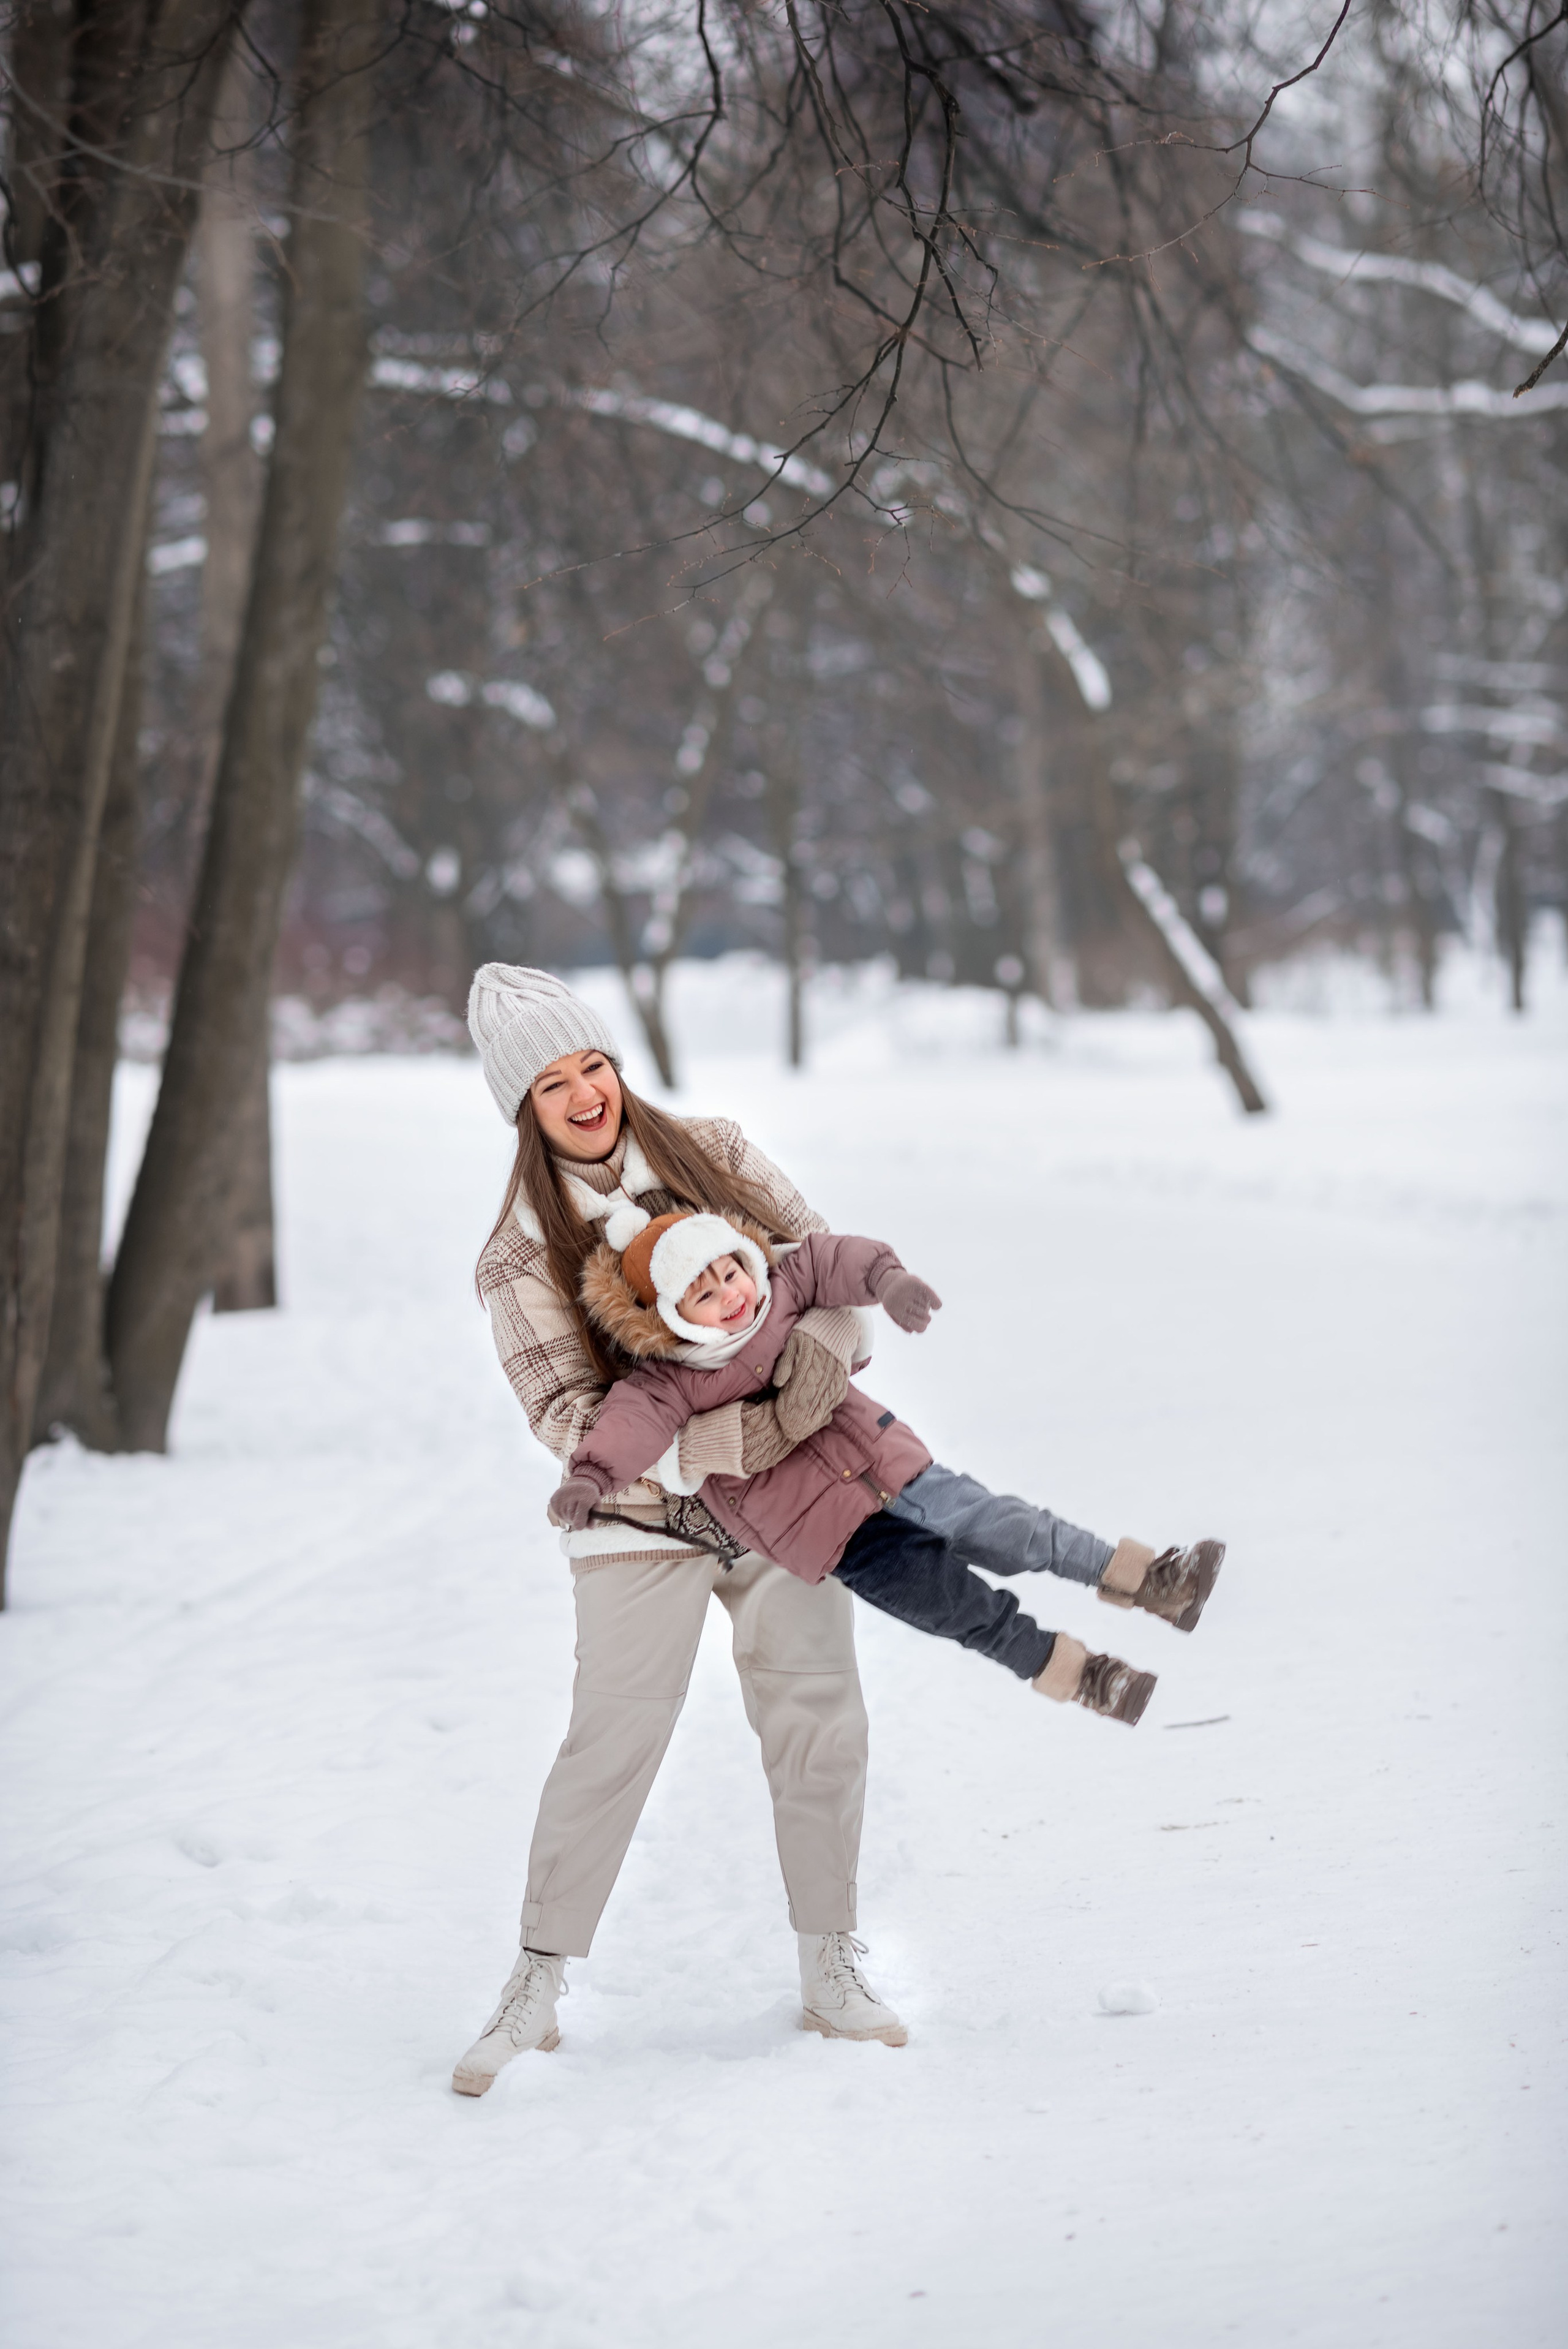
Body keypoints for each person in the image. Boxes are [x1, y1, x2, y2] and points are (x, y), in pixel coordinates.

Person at [452, 962, 908, 2097]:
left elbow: (828, 1287)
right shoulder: (517, 1253)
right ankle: (537, 1981)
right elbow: (565, 1414)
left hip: (788, 1501)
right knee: (610, 1741)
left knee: (820, 1718)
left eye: (594, 1064)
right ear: (523, 1106)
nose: (585, 1093)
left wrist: (801, 1395)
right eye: (553, 1082)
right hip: (637, 1523)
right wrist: (720, 1449)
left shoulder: (720, 1154)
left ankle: (830, 1960)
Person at [550, 1208, 1224, 1727]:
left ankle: (1153, 1580)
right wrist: (590, 1476)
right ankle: (1086, 1677)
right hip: (841, 1537)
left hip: (892, 1467)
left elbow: (831, 1258)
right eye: (704, 1295)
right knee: (964, 1609)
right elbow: (629, 1425)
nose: (730, 1296)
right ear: (672, 1317)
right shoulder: (673, 1380)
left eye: (729, 1273)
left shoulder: (781, 1292)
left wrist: (888, 1281)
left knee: (1016, 1528)